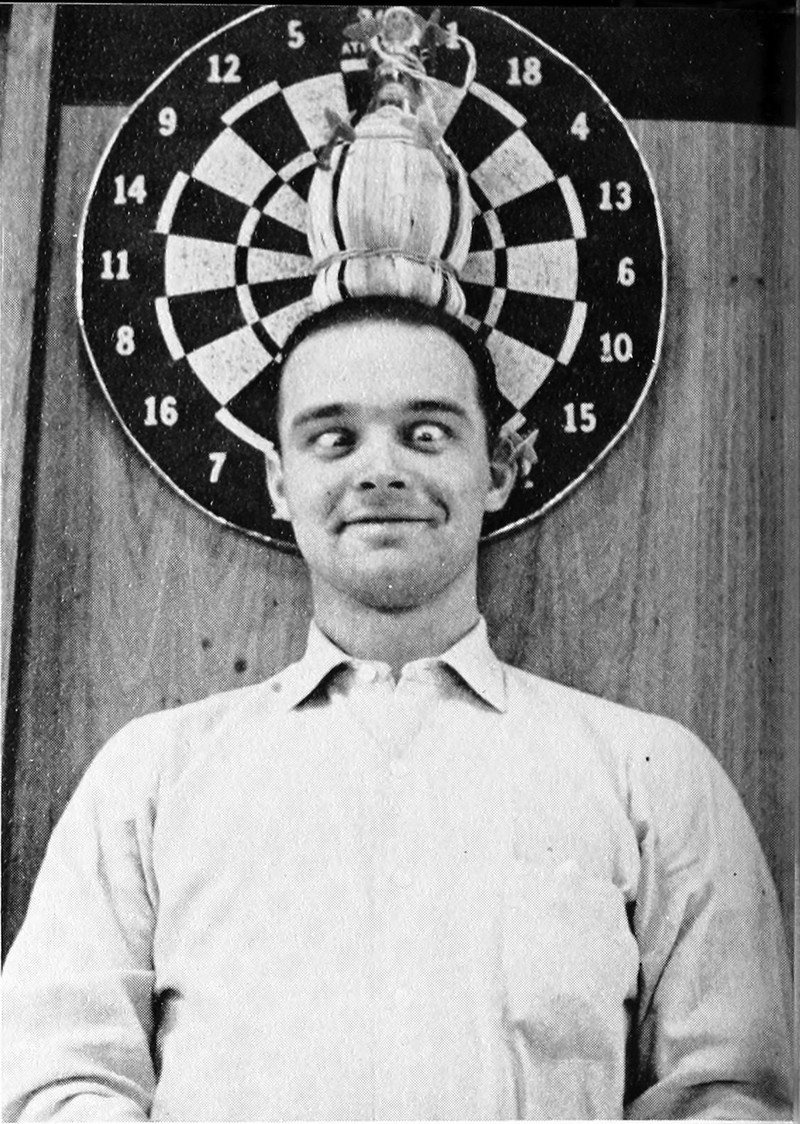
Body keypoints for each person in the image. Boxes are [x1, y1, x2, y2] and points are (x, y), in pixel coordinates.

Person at [1, 294, 793, 1121]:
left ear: (498, 468)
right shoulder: (150, 778)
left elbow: (731, 1097)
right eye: (333, 438)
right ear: (280, 480)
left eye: (426, 433)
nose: (380, 471)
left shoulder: (650, 777)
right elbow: (58, 1084)